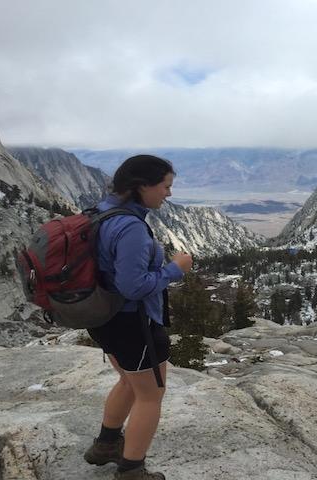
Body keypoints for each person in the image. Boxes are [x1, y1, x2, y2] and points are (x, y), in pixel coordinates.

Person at [83, 154, 193, 480]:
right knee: (150, 396)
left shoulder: (102, 212)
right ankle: (131, 469)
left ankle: (105, 446)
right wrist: (175, 270)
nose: (169, 194)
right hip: (134, 324)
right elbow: (133, 287)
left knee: (129, 382)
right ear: (142, 186)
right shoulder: (130, 226)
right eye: (165, 186)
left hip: (105, 319)